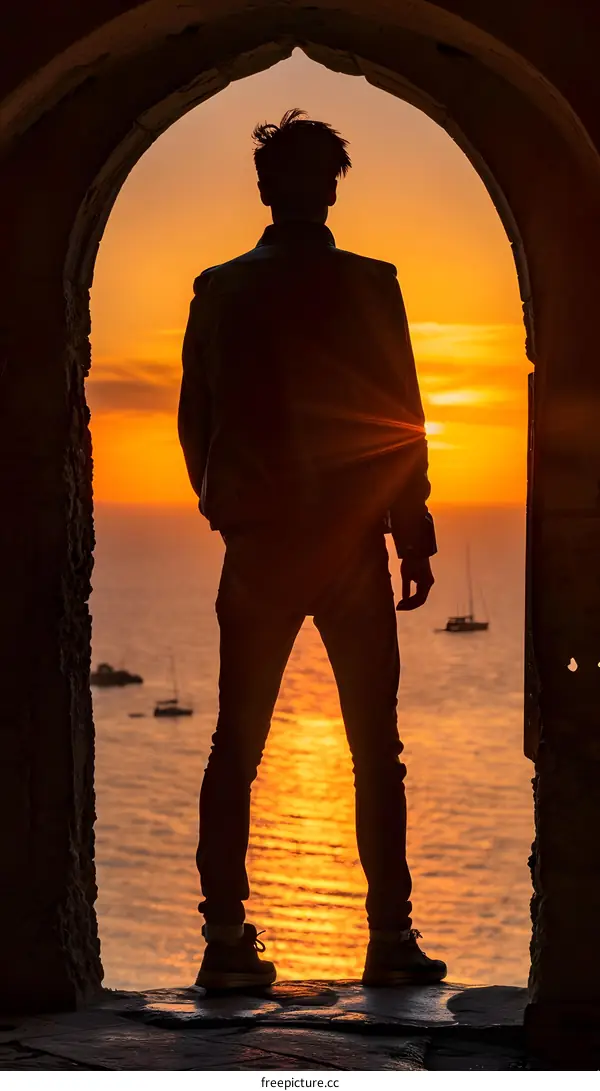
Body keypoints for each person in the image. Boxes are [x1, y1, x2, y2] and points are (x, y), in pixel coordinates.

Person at [178, 109, 446, 991]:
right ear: (331, 185)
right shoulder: (372, 285)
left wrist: (228, 514)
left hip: (260, 546)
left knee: (235, 747)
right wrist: (412, 532)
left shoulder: (219, 288)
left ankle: (224, 944)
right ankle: (390, 937)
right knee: (377, 748)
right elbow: (398, 419)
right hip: (348, 547)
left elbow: (195, 421)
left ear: (265, 187)